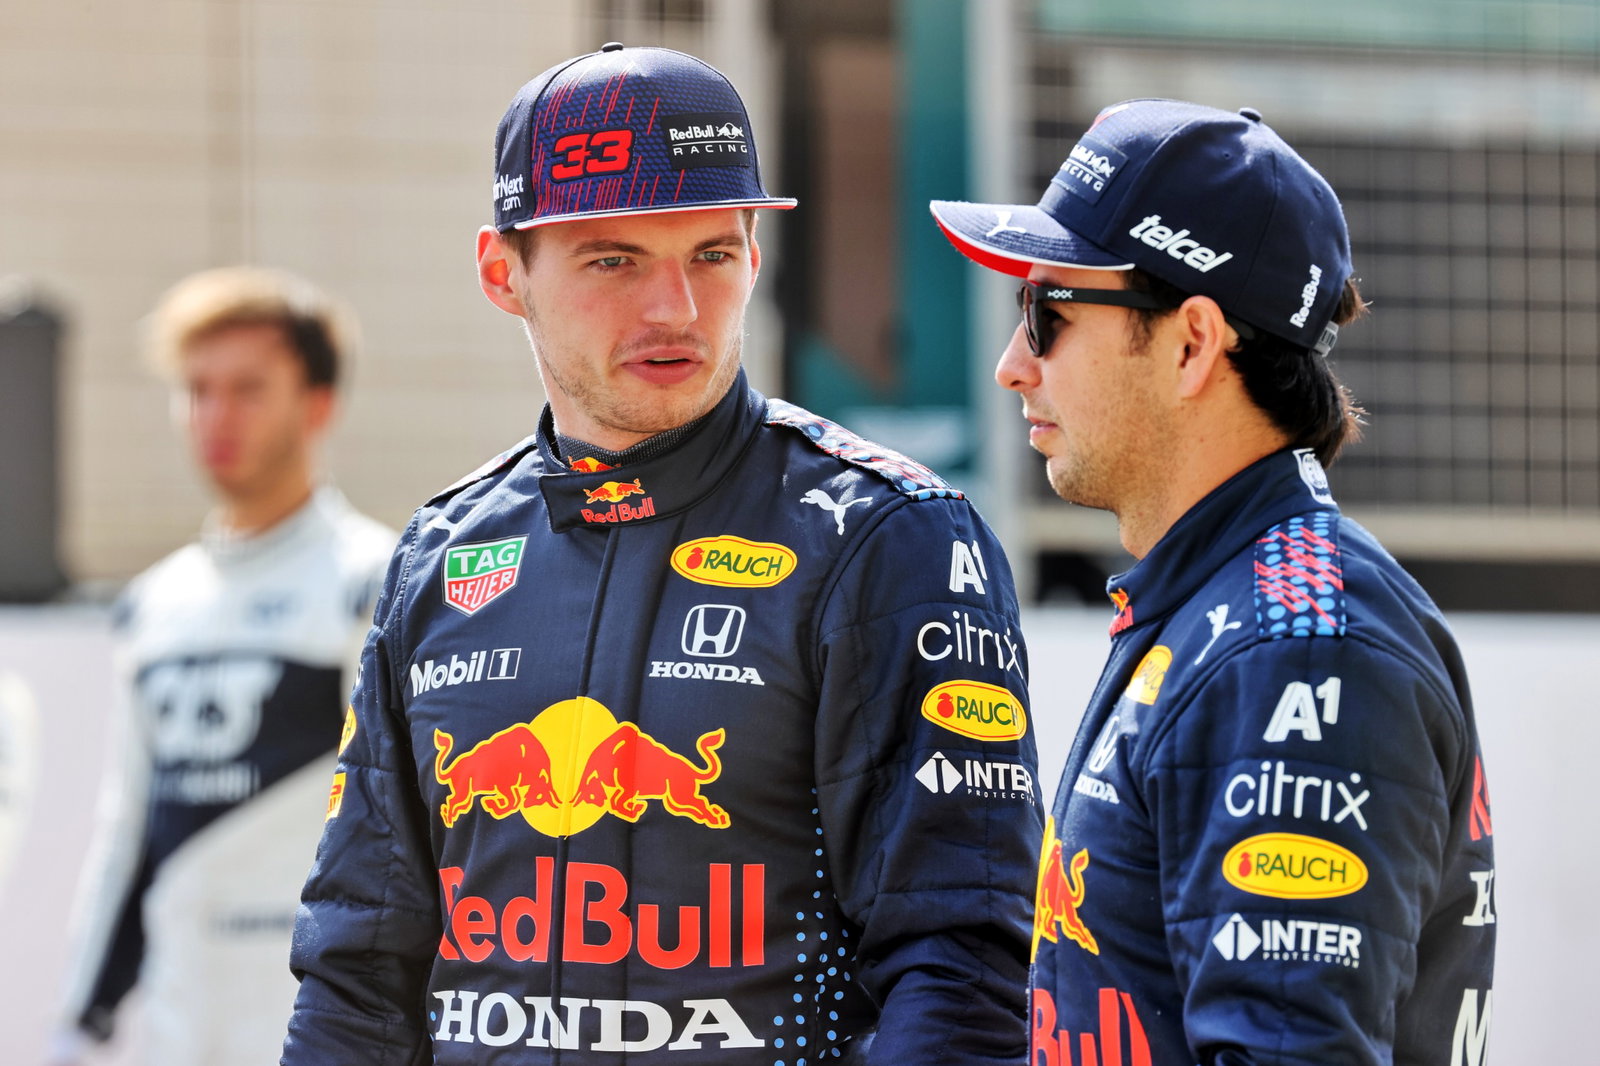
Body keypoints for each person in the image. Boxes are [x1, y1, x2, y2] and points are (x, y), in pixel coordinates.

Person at [279, 43, 1040, 1066]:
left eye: (711, 255)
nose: (674, 310)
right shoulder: (439, 554)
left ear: (754, 260)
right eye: (614, 260)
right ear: (503, 273)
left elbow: (958, 968)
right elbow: (356, 970)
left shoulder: (884, 536)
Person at [931, 100, 1495, 1064]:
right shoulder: (1222, 608)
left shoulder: (1298, 647)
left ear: (1193, 342)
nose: (1011, 366)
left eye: (1048, 314)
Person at [50, 268, 397, 1066]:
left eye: (248, 388)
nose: (215, 415)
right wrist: (81, 1015)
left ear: (317, 403)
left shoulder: (374, 578)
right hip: (179, 1023)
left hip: (317, 1025)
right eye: (196, 389)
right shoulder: (152, 602)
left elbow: (401, 828)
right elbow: (127, 829)